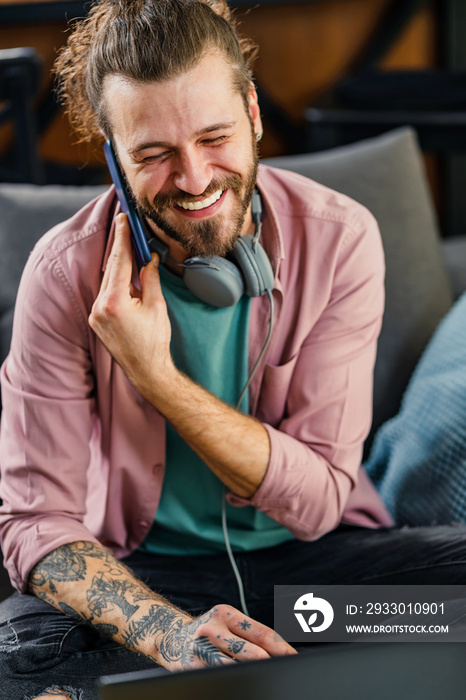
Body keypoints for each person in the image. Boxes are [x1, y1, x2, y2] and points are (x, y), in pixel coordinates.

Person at [2, 1, 466, 698]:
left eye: (213, 137)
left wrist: (157, 378)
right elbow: (37, 521)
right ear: (111, 154)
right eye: (154, 154)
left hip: (311, 581)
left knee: (455, 606)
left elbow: (315, 505)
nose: (192, 180)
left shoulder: (340, 239)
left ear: (252, 113)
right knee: (19, 653)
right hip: (147, 584)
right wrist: (171, 635)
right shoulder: (64, 271)